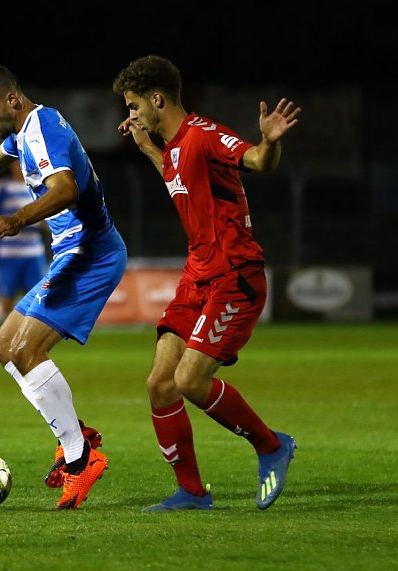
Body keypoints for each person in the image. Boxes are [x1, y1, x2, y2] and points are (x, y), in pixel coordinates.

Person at [0, 65, 127, 509]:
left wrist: (17, 219)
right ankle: (76, 437)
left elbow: (65, 189)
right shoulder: (24, 131)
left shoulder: (43, 129)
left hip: (91, 253)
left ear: (11, 99)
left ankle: (80, 458)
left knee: (26, 351)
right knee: (3, 345)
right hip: (73, 253)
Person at [112, 55, 300, 511]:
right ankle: (193, 493)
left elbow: (257, 160)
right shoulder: (174, 147)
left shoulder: (204, 136)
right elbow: (176, 177)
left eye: (135, 106)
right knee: (160, 383)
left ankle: (271, 445)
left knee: (191, 381)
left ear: (158, 99)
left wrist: (269, 142)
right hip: (197, 275)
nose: (131, 115)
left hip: (235, 277)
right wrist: (149, 149)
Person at [0, 160, 49, 356]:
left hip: (34, 252)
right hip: (10, 252)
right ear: (11, 166)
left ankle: (27, 341)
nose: (20, 167)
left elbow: (48, 216)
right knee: (7, 299)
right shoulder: (2, 187)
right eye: (16, 163)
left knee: (37, 298)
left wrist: (44, 224)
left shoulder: (38, 187)